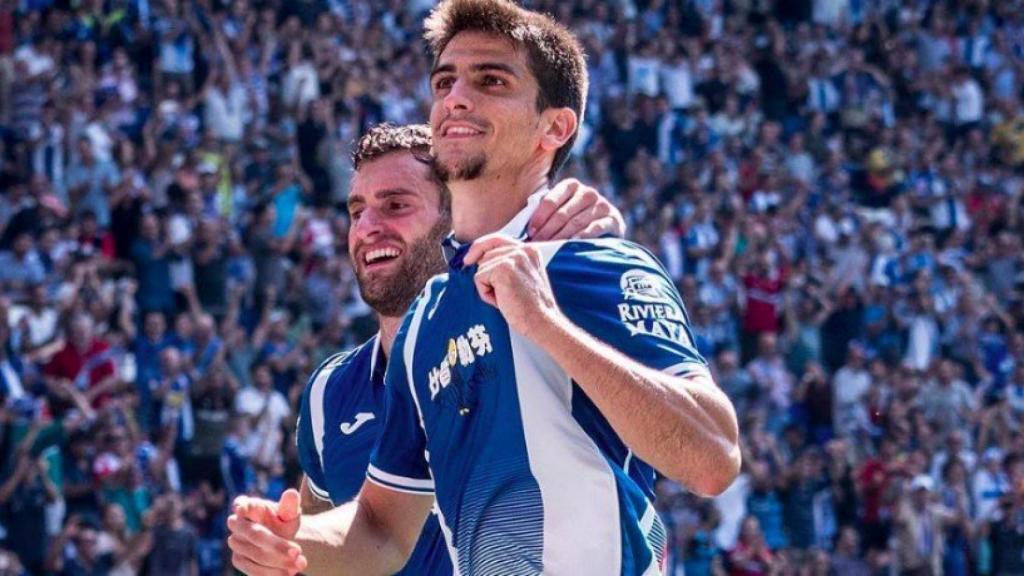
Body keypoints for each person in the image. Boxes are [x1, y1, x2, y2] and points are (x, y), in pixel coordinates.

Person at [227, 1, 739, 574]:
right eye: (444, 81)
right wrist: (290, 541)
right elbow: (380, 528)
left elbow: (713, 457)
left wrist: (547, 324)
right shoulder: (424, 324)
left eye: (491, 79)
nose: (456, 97)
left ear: (555, 127)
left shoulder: (594, 261)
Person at [293, 123, 624, 575]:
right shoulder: (328, 393)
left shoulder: (533, 341)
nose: (367, 227)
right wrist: (279, 541)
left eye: (395, 205)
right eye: (356, 212)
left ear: (455, 215)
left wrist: (588, 241)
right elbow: (319, 535)